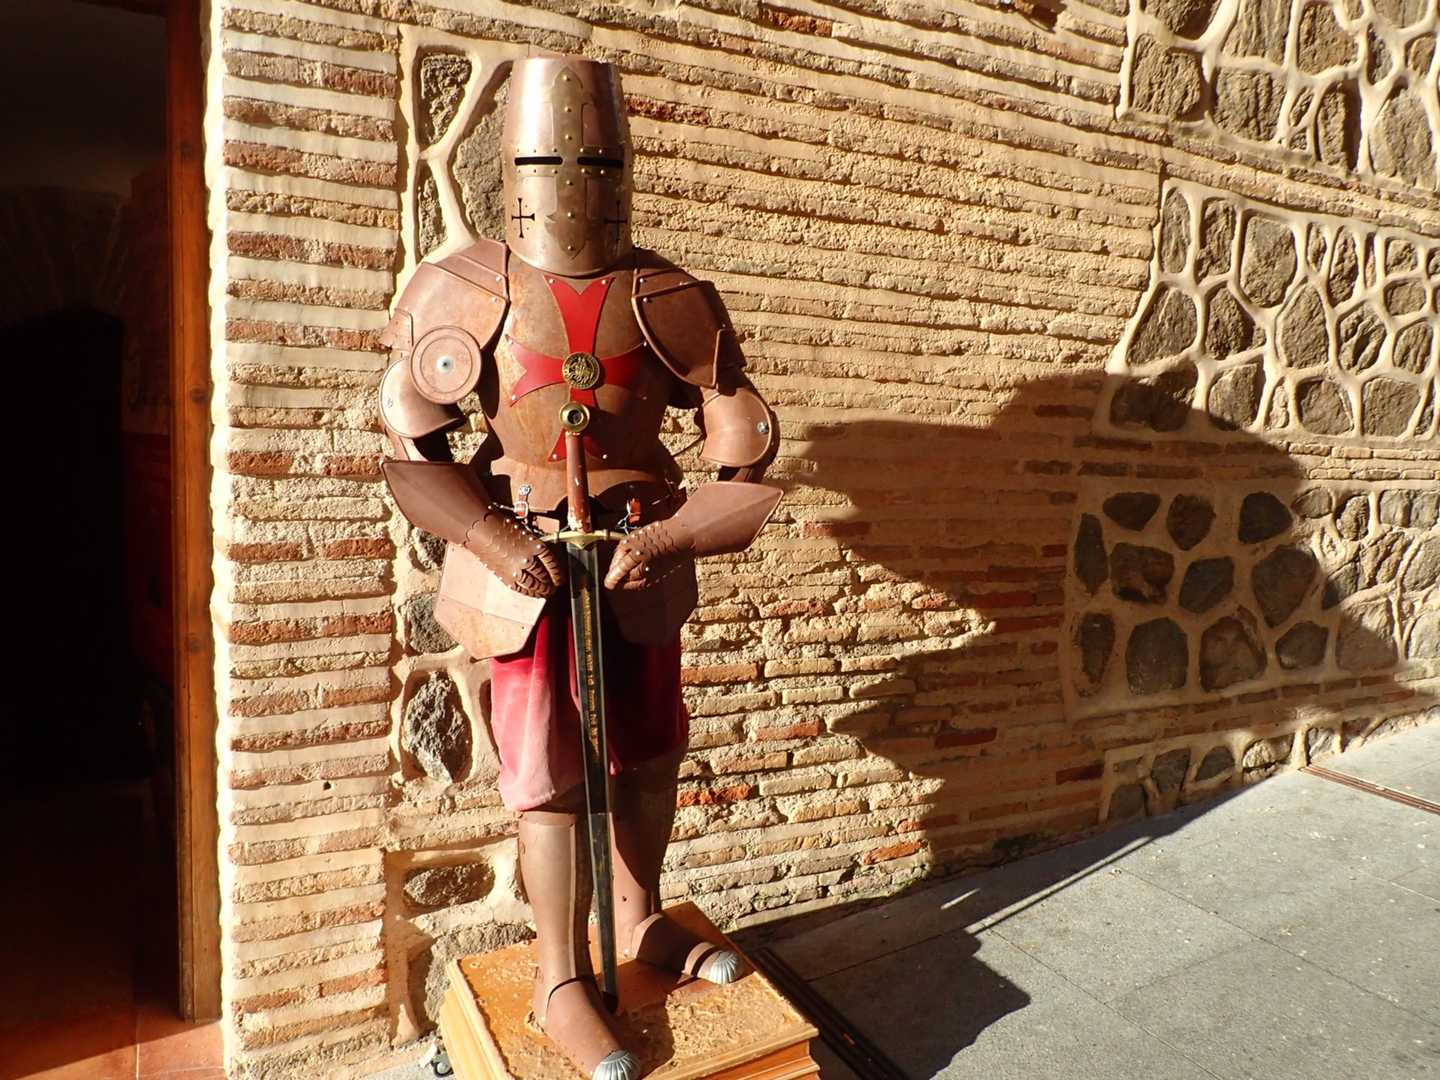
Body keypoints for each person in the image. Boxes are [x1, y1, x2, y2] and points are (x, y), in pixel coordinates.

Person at [376, 55, 782, 1080]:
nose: (575, 179)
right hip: (525, 571)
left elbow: (745, 449)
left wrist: (669, 538)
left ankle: (640, 919)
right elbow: (411, 450)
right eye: (553, 160)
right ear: (511, 160)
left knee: (652, 748)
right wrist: (494, 540)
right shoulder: (465, 286)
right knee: (546, 775)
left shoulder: (668, 295)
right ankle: (559, 977)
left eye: (597, 161)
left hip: (638, 561)